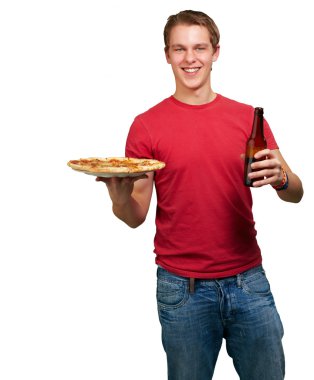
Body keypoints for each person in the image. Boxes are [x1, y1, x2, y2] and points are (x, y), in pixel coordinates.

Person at [96, 10, 303, 380]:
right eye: (180, 49)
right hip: (182, 289)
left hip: (248, 281)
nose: (190, 58)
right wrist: (119, 195)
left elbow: (296, 193)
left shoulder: (246, 118)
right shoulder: (146, 125)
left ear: (215, 52)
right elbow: (134, 215)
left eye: (199, 48)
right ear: (167, 55)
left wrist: (282, 178)